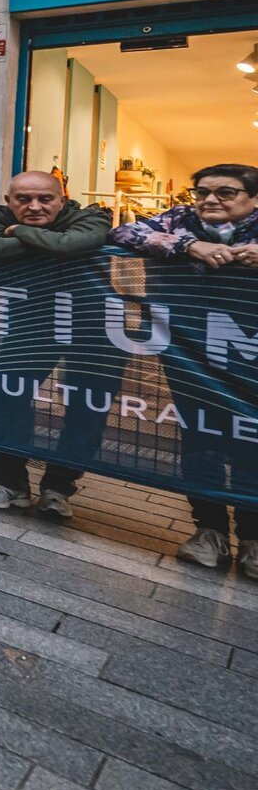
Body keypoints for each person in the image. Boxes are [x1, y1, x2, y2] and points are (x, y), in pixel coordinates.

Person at [111, 164, 258, 575]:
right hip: (191, 353)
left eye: (226, 192)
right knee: (198, 437)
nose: (210, 200)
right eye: (202, 192)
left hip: (250, 356)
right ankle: (209, 532)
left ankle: (253, 540)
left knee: (252, 443)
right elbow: (124, 233)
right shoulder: (181, 220)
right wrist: (188, 245)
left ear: (254, 198)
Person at [0, 171, 113, 521]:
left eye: (45, 199)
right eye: (23, 199)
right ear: (9, 201)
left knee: (86, 409)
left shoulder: (91, 216)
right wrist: (52, 240)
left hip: (93, 325)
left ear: (63, 199)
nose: (34, 206)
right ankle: (10, 484)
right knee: (9, 400)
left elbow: (73, 244)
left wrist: (17, 232)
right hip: (31, 323)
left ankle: (58, 489)